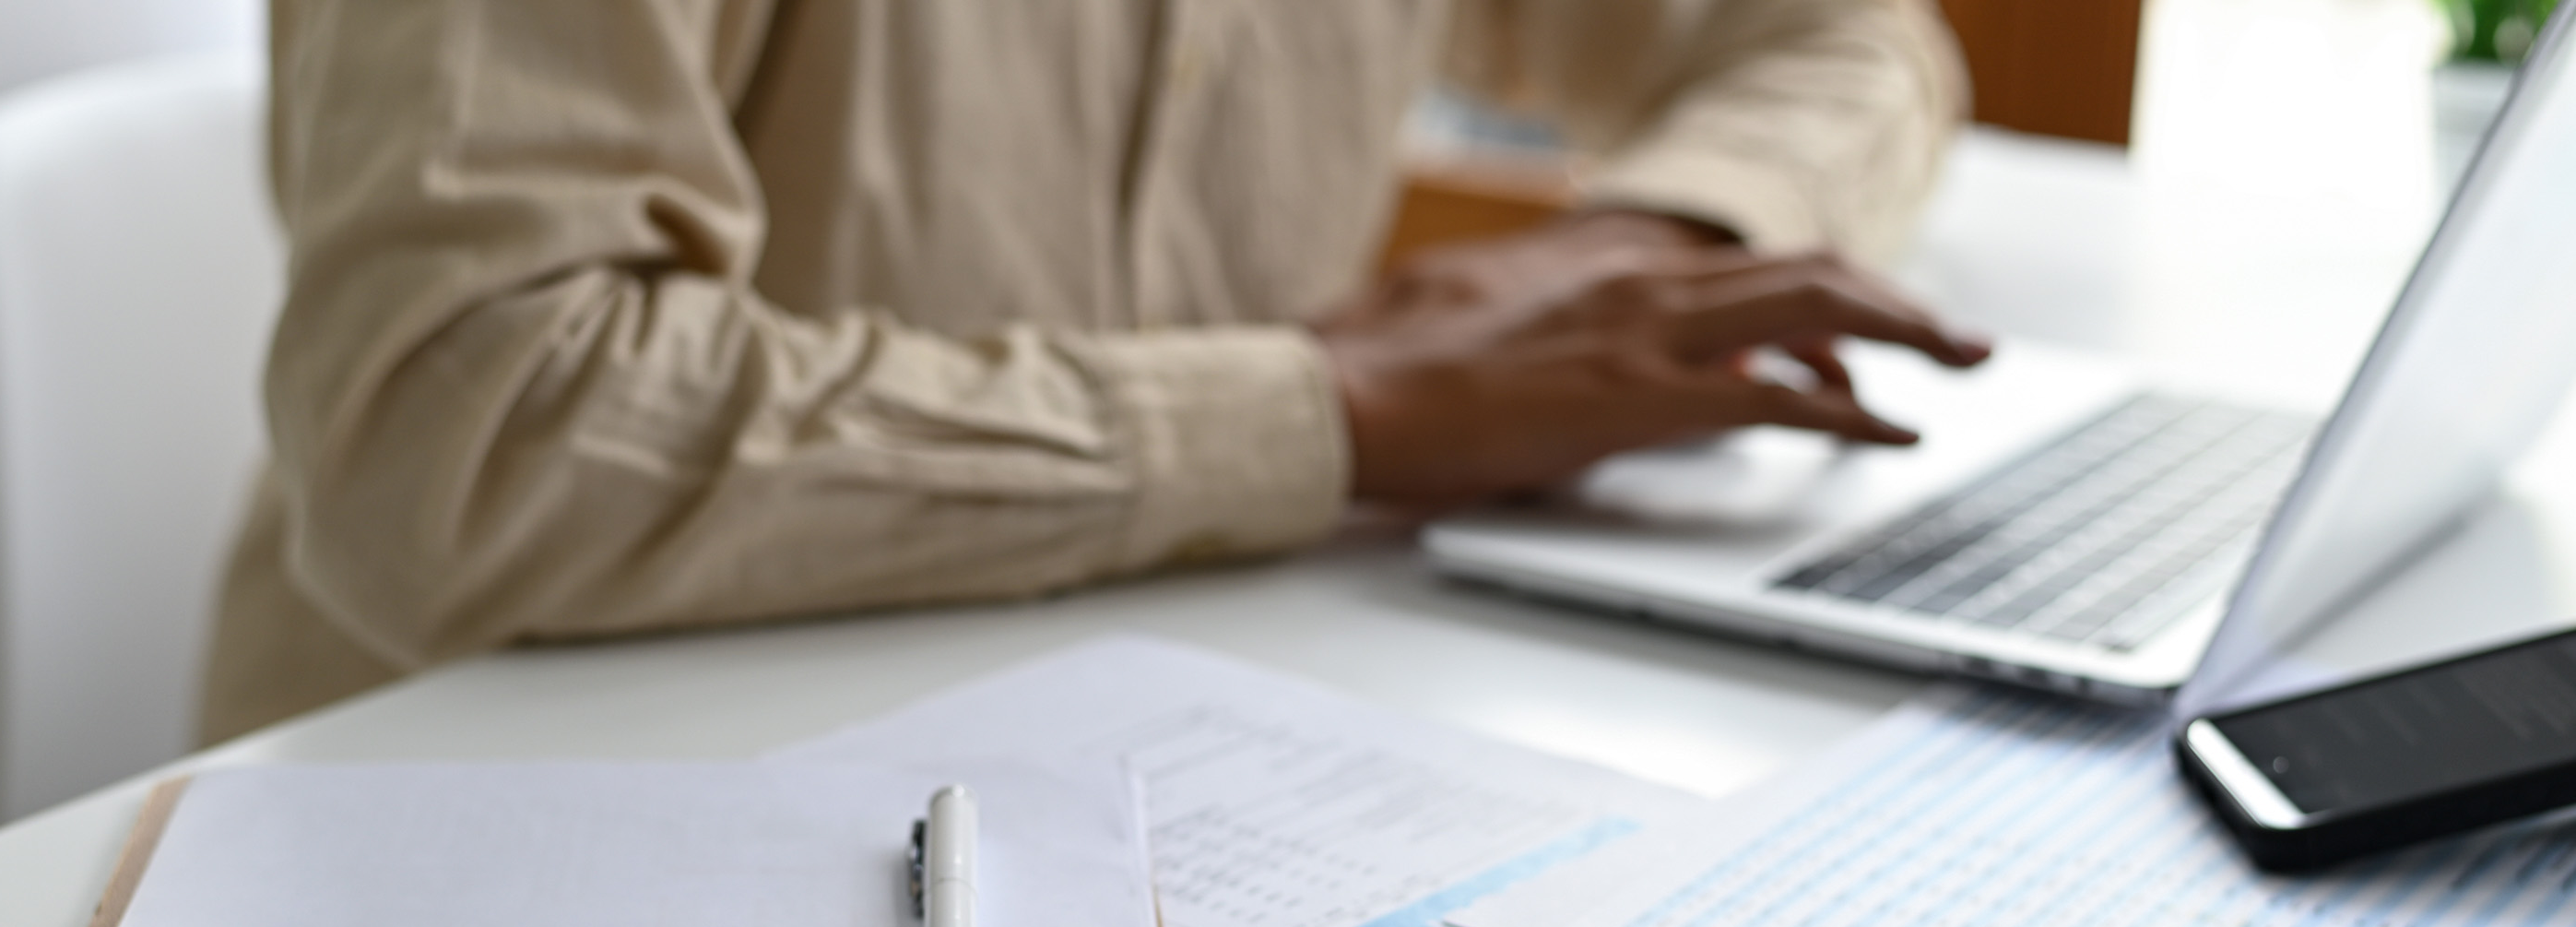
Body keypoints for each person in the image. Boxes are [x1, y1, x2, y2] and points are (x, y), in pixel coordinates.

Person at [200, 0, 1990, 742]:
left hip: (1165, 730)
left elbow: (1852, 38)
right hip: (525, 780)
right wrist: (1335, 408)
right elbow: (472, 430)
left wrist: (1638, 257)